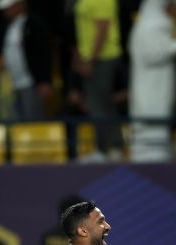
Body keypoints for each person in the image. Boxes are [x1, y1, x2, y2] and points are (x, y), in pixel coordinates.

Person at [128, 0, 176, 162]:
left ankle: (160, 153)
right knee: (151, 126)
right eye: (173, 5)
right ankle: (150, 158)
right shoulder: (150, 26)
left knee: (160, 126)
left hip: (158, 87)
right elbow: (152, 55)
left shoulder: (158, 26)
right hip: (150, 90)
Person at [72, 0, 124, 161]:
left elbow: (102, 29)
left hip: (103, 58)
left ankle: (109, 149)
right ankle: (109, 149)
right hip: (91, 58)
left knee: (100, 105)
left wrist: (92, 60)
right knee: (99, 104)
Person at [0, 0, 54, 120]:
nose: (6, 12)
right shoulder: (7, 26)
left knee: (33, 120)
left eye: (9, 8)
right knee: (15, 120)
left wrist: (44, 80)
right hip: (11, 84)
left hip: (31, 82)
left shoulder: (35, 24)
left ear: (20, 5)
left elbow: (45, 53)